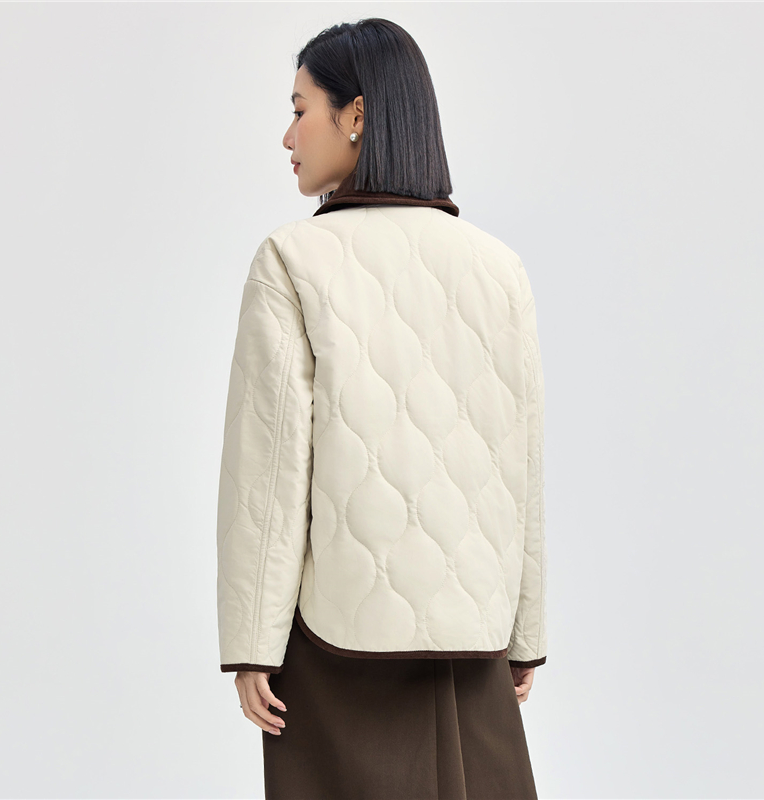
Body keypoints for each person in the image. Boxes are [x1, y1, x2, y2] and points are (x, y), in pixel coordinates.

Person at [215, 17, 548, 800]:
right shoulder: (501, 269)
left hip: (336, 643)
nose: (288, 136)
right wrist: (525, 633)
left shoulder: (292, 260)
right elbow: (523, 461)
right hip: (476, 640)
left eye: (300, 109)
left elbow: (270, 469)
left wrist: (252, 644)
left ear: (356, 115)